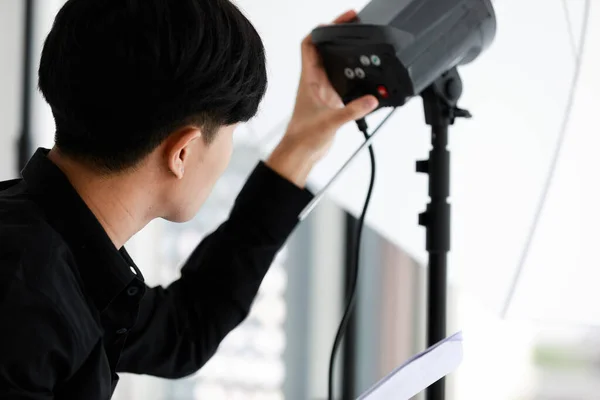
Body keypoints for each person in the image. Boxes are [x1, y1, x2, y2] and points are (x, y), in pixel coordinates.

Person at [0, 0, 378, 398]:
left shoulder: (52, 250)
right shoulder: (29, 300)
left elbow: (185, 330)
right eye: (233, 131)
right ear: (183, 152)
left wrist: (299, 145)